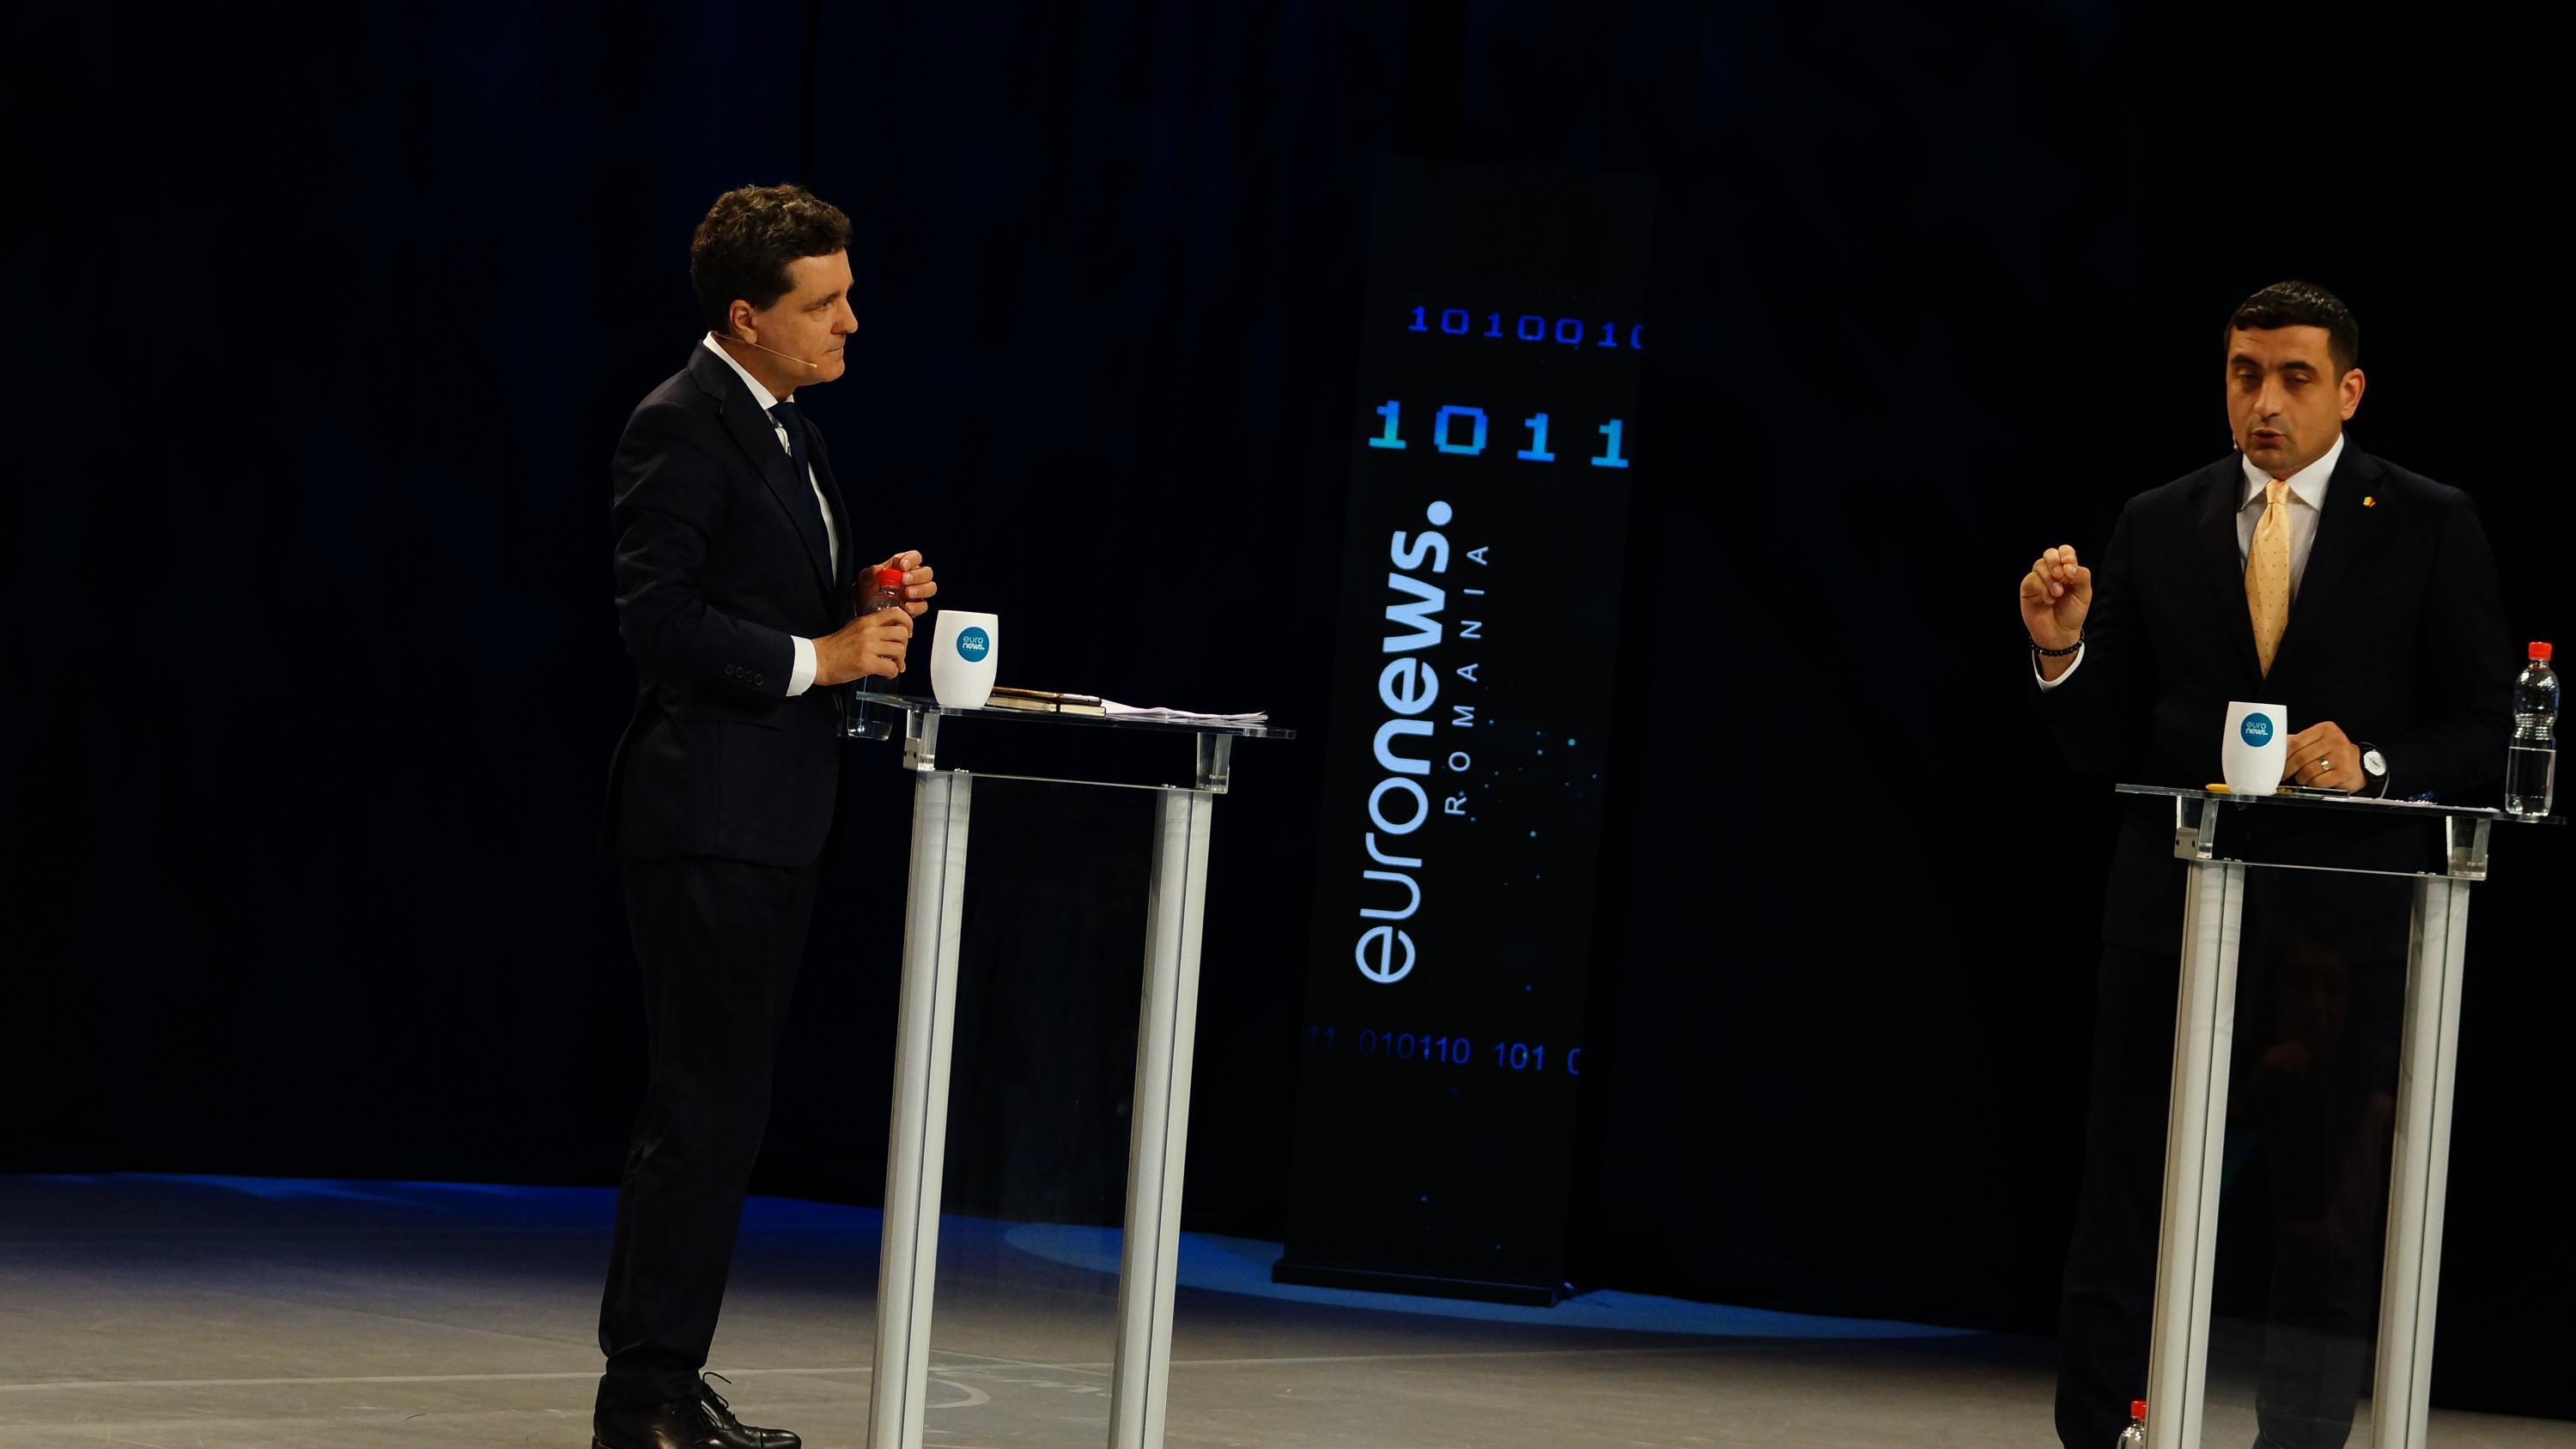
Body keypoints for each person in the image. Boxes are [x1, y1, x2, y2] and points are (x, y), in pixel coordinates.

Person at [2018, 281, 2511, 1448]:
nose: (2266, 402)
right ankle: (2107, 1430)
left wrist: (2373, 763)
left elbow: (2489, 721)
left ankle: (2300, 1439)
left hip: (2342, 927)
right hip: (2176, 914)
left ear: (2349, 390)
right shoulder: (2159, 519)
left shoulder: (2428, 519)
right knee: (2127, 1191)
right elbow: (2105, 741)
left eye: (2295, 377)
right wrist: (2063, 653)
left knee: (2323, 1213)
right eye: (2246, 375)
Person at [594, 183, 936, 1449]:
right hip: (707, 816)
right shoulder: (681, 425)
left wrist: (865, 606)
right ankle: (644, 1394)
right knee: (701, 1114)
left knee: (722, 1111)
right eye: (824, 302)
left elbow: (759, 595)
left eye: (849, 294)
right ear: (747, 316)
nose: (851, 321)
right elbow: (660, 621)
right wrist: (821, 657)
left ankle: (665, 1379)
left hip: (771, 817)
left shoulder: (787, 426)